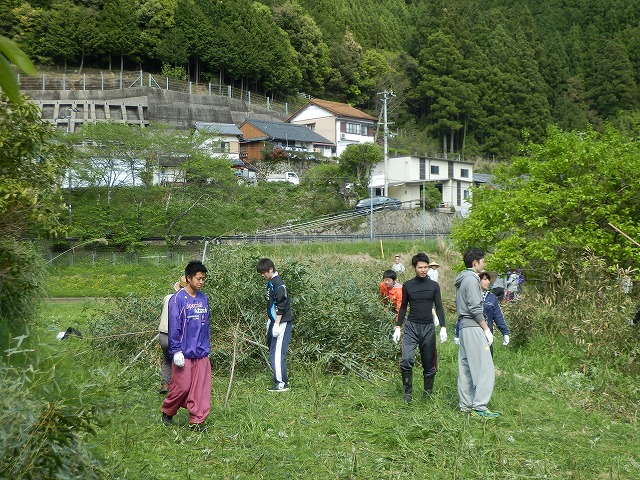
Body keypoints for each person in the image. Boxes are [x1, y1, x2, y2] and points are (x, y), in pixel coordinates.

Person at [161, 260, 211, 430]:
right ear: (188, 278)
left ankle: (197, 420)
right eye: (198, 278)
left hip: (201, 352)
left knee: (200, 389)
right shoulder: (177, 300)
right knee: (182, 386)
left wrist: (205, 346)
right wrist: (176, 351)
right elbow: (174, 325)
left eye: (203, 279)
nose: (201, 282)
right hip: (183, 352)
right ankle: (168, 410)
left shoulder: (204, 298)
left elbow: (205, 324)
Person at [392, 252, 447, 402]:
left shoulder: (434, 286)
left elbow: (439, 307)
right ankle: (407, 394)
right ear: (414, 268)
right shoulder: (408, 285)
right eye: (420, 267)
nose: (423, 270)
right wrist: (398, 327)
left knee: (429, 362)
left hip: (428, 327)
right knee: (407, 359)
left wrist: (443, 326)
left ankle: (427, 395)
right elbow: (403, 307)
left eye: (426, 267)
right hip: (411, 327)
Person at [454, 248, 499, 418]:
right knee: (485, 368)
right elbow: (474, 307)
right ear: (475, 263)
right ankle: (480, 406)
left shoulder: (462, 279)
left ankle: (465, 406)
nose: (484, 264)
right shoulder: (472, 280)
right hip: (473, 327)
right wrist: (486, 329)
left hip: (464, 328)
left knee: (465, 368)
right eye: (483, 261)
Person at [257, 258, 293, 392]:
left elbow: (281, 304)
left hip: (282, 322)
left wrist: (277, 323)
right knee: (273, 351)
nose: (262, 275)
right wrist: (270, 321)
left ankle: (282, 384)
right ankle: (279, 381)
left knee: (278, 353)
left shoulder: (279, 284)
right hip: (274, 321)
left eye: (264, 272)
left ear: (271, 269)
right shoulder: (271, 282)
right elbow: (271, 304)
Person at [455, 271, 510, 357]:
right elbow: (463, 315)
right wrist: (457, 333)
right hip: (472, 333)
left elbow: (498, 316)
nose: (488, 282)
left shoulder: (492, 298)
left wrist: (505, 332)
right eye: (484, 279)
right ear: (478, 280)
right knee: (472, 361)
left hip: (487, 335)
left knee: (487, 360)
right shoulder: (470, 295)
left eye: (488, 279)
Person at [158, 275, 187, 394]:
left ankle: (165, 384)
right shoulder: (185, 300)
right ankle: (179, 386)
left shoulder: (168, 297)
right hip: (176, 335)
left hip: (163, 334)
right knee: (181, 360)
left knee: (167, 359)